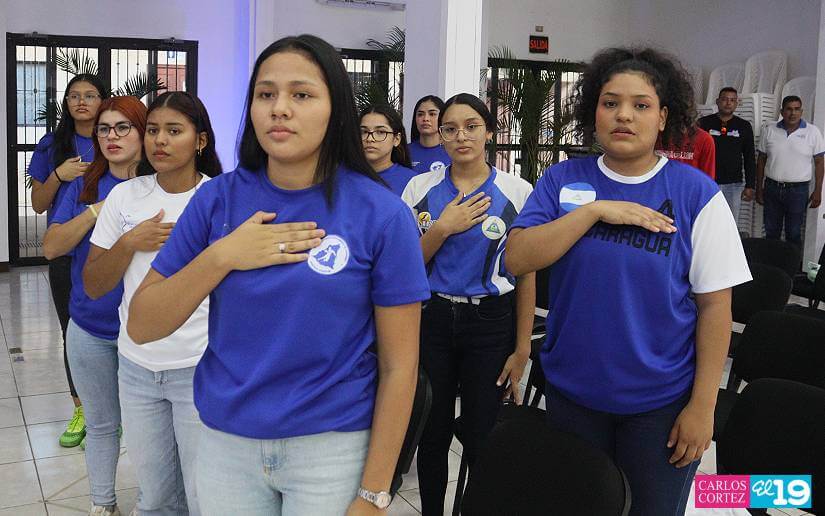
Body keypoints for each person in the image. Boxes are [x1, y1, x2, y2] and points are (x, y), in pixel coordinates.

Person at [126, 35, 430, 516]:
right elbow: (143, 324)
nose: (279, 109)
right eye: (266, 94)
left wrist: (374, 493)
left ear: (336, 111)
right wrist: (222, 256)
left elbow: (400, 368)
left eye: (301, 94)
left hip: (330, 447)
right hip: (227, 442)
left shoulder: (382, 215)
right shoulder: (217, 201)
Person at [505, 47, 751, 516]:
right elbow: (516, 258)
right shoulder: (561, 179)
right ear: (592, 112)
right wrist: (595, 212)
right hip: (572, 396)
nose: (624, 115)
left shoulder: (695, 193)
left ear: (663, 118)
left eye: (641, 105)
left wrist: (702, 408)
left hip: (658, 405)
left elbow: (716, 308)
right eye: (610, 102)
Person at [83, 91, 223, 515]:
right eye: (154, 130)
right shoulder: (126, 198)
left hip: (200, 366)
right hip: (138, 367)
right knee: (156, 496)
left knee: (205, 495)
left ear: (200, 141)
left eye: (174, 131)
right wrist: (129, 242)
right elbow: (93, 283)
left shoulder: (220, 198)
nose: (159, 141)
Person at [402, 93, 535, 516]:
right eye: (450, 128)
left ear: (489, 132)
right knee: (433, 431)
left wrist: (522, 348)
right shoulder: (420, 188)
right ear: (439, 136)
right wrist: (442, 229)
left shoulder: (517, 191)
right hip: (433, 317)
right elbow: (405, 266)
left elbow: (526, 271)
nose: (461, 136)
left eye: (471, 126)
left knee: (481, 434)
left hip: (491, 320)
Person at [41, 96, 147, 516]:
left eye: (124, 127)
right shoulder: (83, 185)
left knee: (149, 432)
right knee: (102, 425)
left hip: (149, 332)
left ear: (143, 132)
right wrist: (96, 212)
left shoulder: (165, 185)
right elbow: (51, 247)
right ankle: (103, 504)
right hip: (91, 328)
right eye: (105, 129)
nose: (112, 137)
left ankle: (155, 502)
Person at [28, 73, 109, 448]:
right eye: (74, 95)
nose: (81, 102)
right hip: (65, 249)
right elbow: (39, 204)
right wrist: (60, 175)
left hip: (111, 248)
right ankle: (81, 408)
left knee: (113, 330)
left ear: (101, 100)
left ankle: (114, 410)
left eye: (90, 95)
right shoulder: (52, 144)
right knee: (72, 333)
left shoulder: (113, 137)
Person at [756, 95, 825, 249]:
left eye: (796, 109)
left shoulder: (813, 132)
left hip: (798, 192)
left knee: (793, 233)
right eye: (788, 109)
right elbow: (761, 160)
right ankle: (772, 268)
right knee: (771, 232)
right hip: (772, 188)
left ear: (801, 111)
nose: (792, 113)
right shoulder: (769, 130)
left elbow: (819, 162)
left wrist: (818, 191)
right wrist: (759, 189)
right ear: (782, 111)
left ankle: (790, 271)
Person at [698, 87, 757, 220]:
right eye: (724, 99)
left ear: (737, 104)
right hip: (708, 182)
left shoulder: (744, 126)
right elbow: (696, 154)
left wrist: (750, 185)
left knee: (730, 222)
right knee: (707, 221)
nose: (728, 103)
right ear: (718, 101)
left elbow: (749, 157)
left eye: (732, 100)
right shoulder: (704, 124)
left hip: (733, 184)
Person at [359, 104, 416, 195]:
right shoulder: (344, 178)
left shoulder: (413, 182)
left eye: (380, 132)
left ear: (396, 139)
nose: (370, 139)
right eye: (364, 132)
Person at [409, 95, 451, 174]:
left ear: (443, 117)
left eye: (432, 114)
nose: (425, 119)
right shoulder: (405, 152)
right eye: (420, 114)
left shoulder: (452, 150)